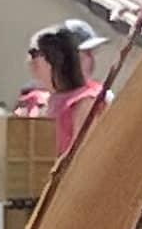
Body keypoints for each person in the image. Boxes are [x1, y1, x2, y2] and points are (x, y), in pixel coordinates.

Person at [19, 18, 107, 156]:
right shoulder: (36, 102)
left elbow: (85, 156)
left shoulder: (88, 100)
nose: (91, 61)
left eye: (90, 54)